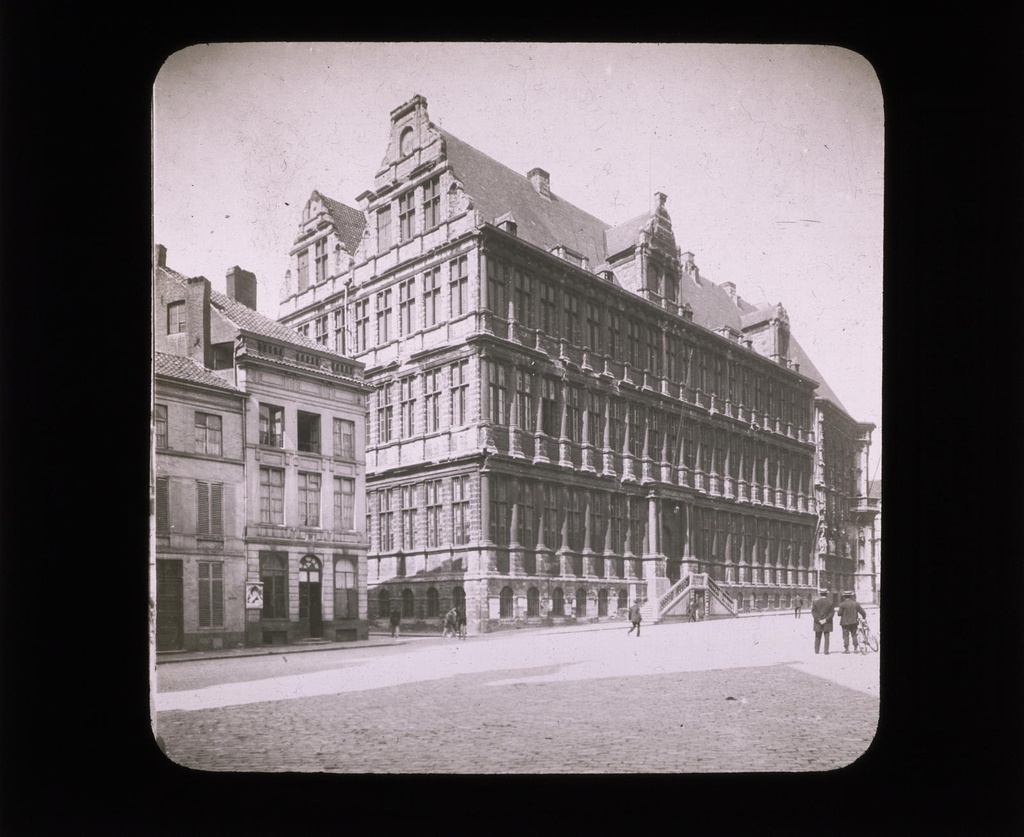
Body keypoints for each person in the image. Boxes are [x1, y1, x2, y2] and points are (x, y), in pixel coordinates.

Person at [810, 589, 834, 654]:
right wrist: (825, 620)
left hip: (818, 622)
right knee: (826, 637)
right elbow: (832, 613)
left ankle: (816, 650)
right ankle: (826, 651)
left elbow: (813, 612)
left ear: (820, 594)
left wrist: (819, 620)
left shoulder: (815, 602)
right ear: (826, 594)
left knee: (817, 636)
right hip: (827, 622)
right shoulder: (830, 602)